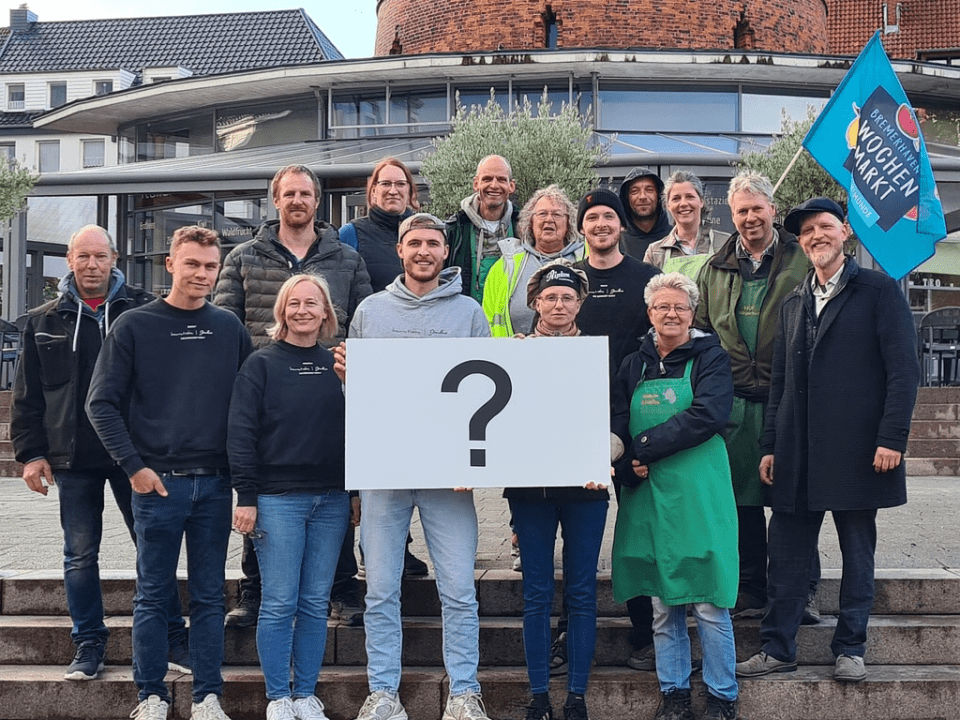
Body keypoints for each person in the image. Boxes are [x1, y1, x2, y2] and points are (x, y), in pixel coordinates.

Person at [735, 198, 920, 684]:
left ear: (845, 233)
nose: (816, 236)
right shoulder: (796, 299)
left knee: (857, 552)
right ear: (801, 242)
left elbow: (903, 372)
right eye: (807, 232)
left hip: (861, 451)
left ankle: (851, 647)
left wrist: (892, 437)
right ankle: (778, 647)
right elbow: (780, 383)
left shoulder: (879, 291)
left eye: (825, 227)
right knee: (787, 556)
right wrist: (770, 444)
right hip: (797, 452)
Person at [87, 225, 253, 720]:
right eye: (193, 265)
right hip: (158, 485)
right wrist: (134, 468)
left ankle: (207, 695)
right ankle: (151, 695)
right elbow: (101, 404)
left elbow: (248, 407)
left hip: (215, 485)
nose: (202, 274)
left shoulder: (229, 328)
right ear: (171, 265)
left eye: (210, 266)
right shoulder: (135, 326)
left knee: (208, 595)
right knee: (153, 595)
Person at [10, 225, 187, 681]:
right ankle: (88, 643)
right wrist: (31, 454)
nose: (92, 265)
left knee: (154, 548)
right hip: (73, 457)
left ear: (115, 259)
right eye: (83, 257)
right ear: (69, 260)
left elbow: (167, 387)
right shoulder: (42, 321)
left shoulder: (146, 310)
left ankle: (172, 637)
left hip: (137, 457)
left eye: (100, 257)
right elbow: (27, 396)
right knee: (79, 554)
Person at [335, 213, 492, 720]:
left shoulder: (469, 312)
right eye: (414, 243)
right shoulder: (370, 311)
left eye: (433, 243)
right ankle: (383, 693)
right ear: (400, 251)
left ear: (445, 253)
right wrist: (346, 378)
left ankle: (465, 693)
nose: (424, 251)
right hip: (385, 471)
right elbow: (355, 399)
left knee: (459, 589)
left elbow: (489, 388)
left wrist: (479, 459)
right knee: (380, 589)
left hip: (449, 475)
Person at [214, 164, 373, 628]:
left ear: (316, 201)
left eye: (306, 193)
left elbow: (362, 326)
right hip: (267, 385)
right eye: (289, 194)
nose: (298, 200)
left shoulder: (346, 258)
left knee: (336, 486)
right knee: (263, 487)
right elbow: (228, 324)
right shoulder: (243, 256)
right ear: (276, 200)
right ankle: (253, 592)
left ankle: (343, 590)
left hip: (332, 386)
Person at [611, 272, 739, 720]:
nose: (671, 314)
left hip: (698, 489)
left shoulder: (710, 358)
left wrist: (646, 447)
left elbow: (708, 415)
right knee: (663, 601)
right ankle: (674, 694)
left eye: (680, 307)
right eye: (662, 307)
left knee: (708, 599)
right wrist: (627, 463)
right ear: (649, 313)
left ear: (692, 314)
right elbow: (619, 420)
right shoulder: (633, 364)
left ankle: (722, 696)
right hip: (648, 494)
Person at [228, 274, 351, 720]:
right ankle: (279, 695)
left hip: (331, 500)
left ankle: (307, 694)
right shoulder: (261, 365)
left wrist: (353, 492)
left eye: (311, 303)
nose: (302, 310)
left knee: (315, 602)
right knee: (279, 601)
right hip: (277, 499)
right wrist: (246, 495)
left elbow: (357, 430)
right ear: (282, 311)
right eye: (293, 303)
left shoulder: (338, 363)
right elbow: (240, 434)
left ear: (325, 313)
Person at [695, 171, 812, 621]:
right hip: (736, 403)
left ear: (773, 210)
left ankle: (799, 593)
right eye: (741, 210)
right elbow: (703, 332)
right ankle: (750, 587)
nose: (749, 218)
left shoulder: (801, 258)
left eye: (756, 209)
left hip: (790, 399)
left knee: (793, 502)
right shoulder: (715, 267)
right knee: (741, 502)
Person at [506, 260, 608, 720]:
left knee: (582, 592)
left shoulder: (598, 352)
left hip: (585, 486)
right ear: (535, 303)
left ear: (580, 302)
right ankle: (539, 696)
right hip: (530, 489)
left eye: (568, 297)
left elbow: (616, 414)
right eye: (551, 297)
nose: (559, 304)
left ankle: (578, 698)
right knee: (536, 592)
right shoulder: (515, 352)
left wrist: (608, 451)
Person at [570, 189, 661, 673]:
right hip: (570, 420)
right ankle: (569, 631)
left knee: (636, 529)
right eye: (592, 217)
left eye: (608, 215)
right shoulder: (567, 279)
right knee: (573, 530)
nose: (601, 223)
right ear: (580, 227)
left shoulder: (646, 278)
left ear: (621, 225)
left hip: (630, 419)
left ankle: (646, 633)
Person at [482, 185, 585, 337]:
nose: (549, 219)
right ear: (529, 223)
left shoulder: (586, 259)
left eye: (557, 214)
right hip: (513, 357)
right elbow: (487, 322)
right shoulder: (503, 267)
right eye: (542, 214)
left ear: (569, 223)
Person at [446, 154, 520, 302]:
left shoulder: (523, 228)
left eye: (501, 179)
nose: (494, 185)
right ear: (476, 184)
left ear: (511, 186)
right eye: (487, 179)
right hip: (467, 321)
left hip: (510, 323)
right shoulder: (455, 230)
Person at [340, 157, 419, 292]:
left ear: (409, 191)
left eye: (400, 184)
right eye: (386, 184)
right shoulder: (351, 233)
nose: (393, 191)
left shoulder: (425, 232)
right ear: (374, 191)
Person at [643, 171, 729, 276]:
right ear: (668, 205)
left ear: (701, 201)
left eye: (689, 197)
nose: (683, 203)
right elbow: (649, 291)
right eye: (676, 198)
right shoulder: (655, 252)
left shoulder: (726, 244)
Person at [618, 167, 671, 261]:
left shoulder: (674, 236)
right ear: (626, 199)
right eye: (634, 191)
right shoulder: (616, 241)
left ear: (659, 196)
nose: (642, 196)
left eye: (649, 190)